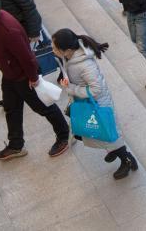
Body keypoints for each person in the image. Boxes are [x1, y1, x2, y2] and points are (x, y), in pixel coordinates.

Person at [0, 0, 69, 161]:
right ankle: (16, 145)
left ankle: (64, 136)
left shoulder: (8, 30)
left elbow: (27, 57)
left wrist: (34, 79)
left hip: (25, 77)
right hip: (10, 75)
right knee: (11, 108)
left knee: (44, 107)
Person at [52, 28, 138, 179]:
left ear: (67, 50)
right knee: (102, 133)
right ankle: (113, 151)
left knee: (110, 135)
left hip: (98, 105)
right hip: (88, 102)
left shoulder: (85, 65)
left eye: (54, 47)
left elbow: (96, 89)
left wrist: (72, 88)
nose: (52, 49)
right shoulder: (70, 57)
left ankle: (126, 160)